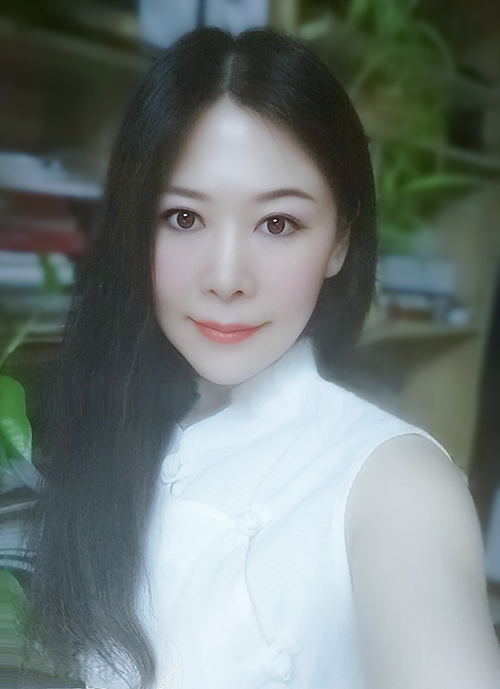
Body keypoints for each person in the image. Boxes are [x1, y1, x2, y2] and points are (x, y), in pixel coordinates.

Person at [24, 27, 500, 689]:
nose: (226, 277)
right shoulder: (122, 429)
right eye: (183, 218)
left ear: (339, 242)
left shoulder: (396, 485)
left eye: (278, 223)